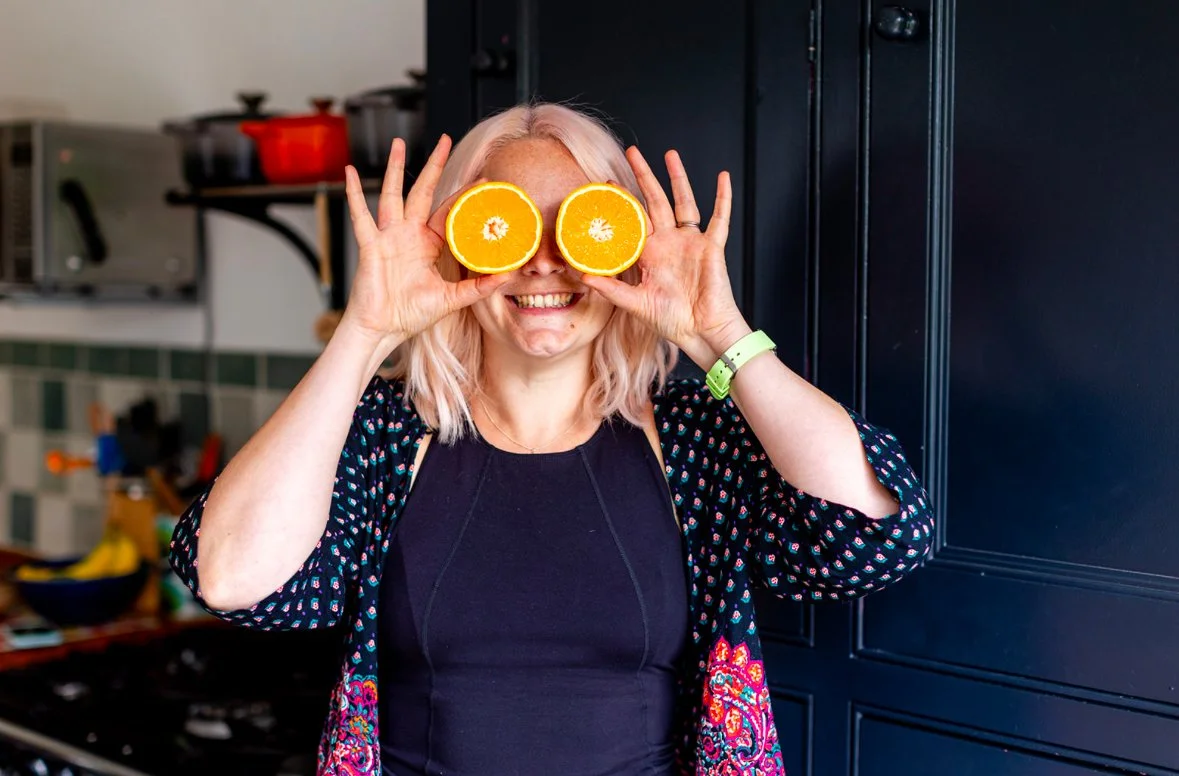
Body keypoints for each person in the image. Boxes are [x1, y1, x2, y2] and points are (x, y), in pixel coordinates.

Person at [170, 103, 934, 776]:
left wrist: (718, 334)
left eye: (579, 226)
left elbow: (873, 537)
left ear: (625, 245)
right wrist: (364, 333)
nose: (542, 262)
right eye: (504, 227)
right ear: (457, 245)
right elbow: (234, 580)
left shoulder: (691, 439)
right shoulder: (386, 436)